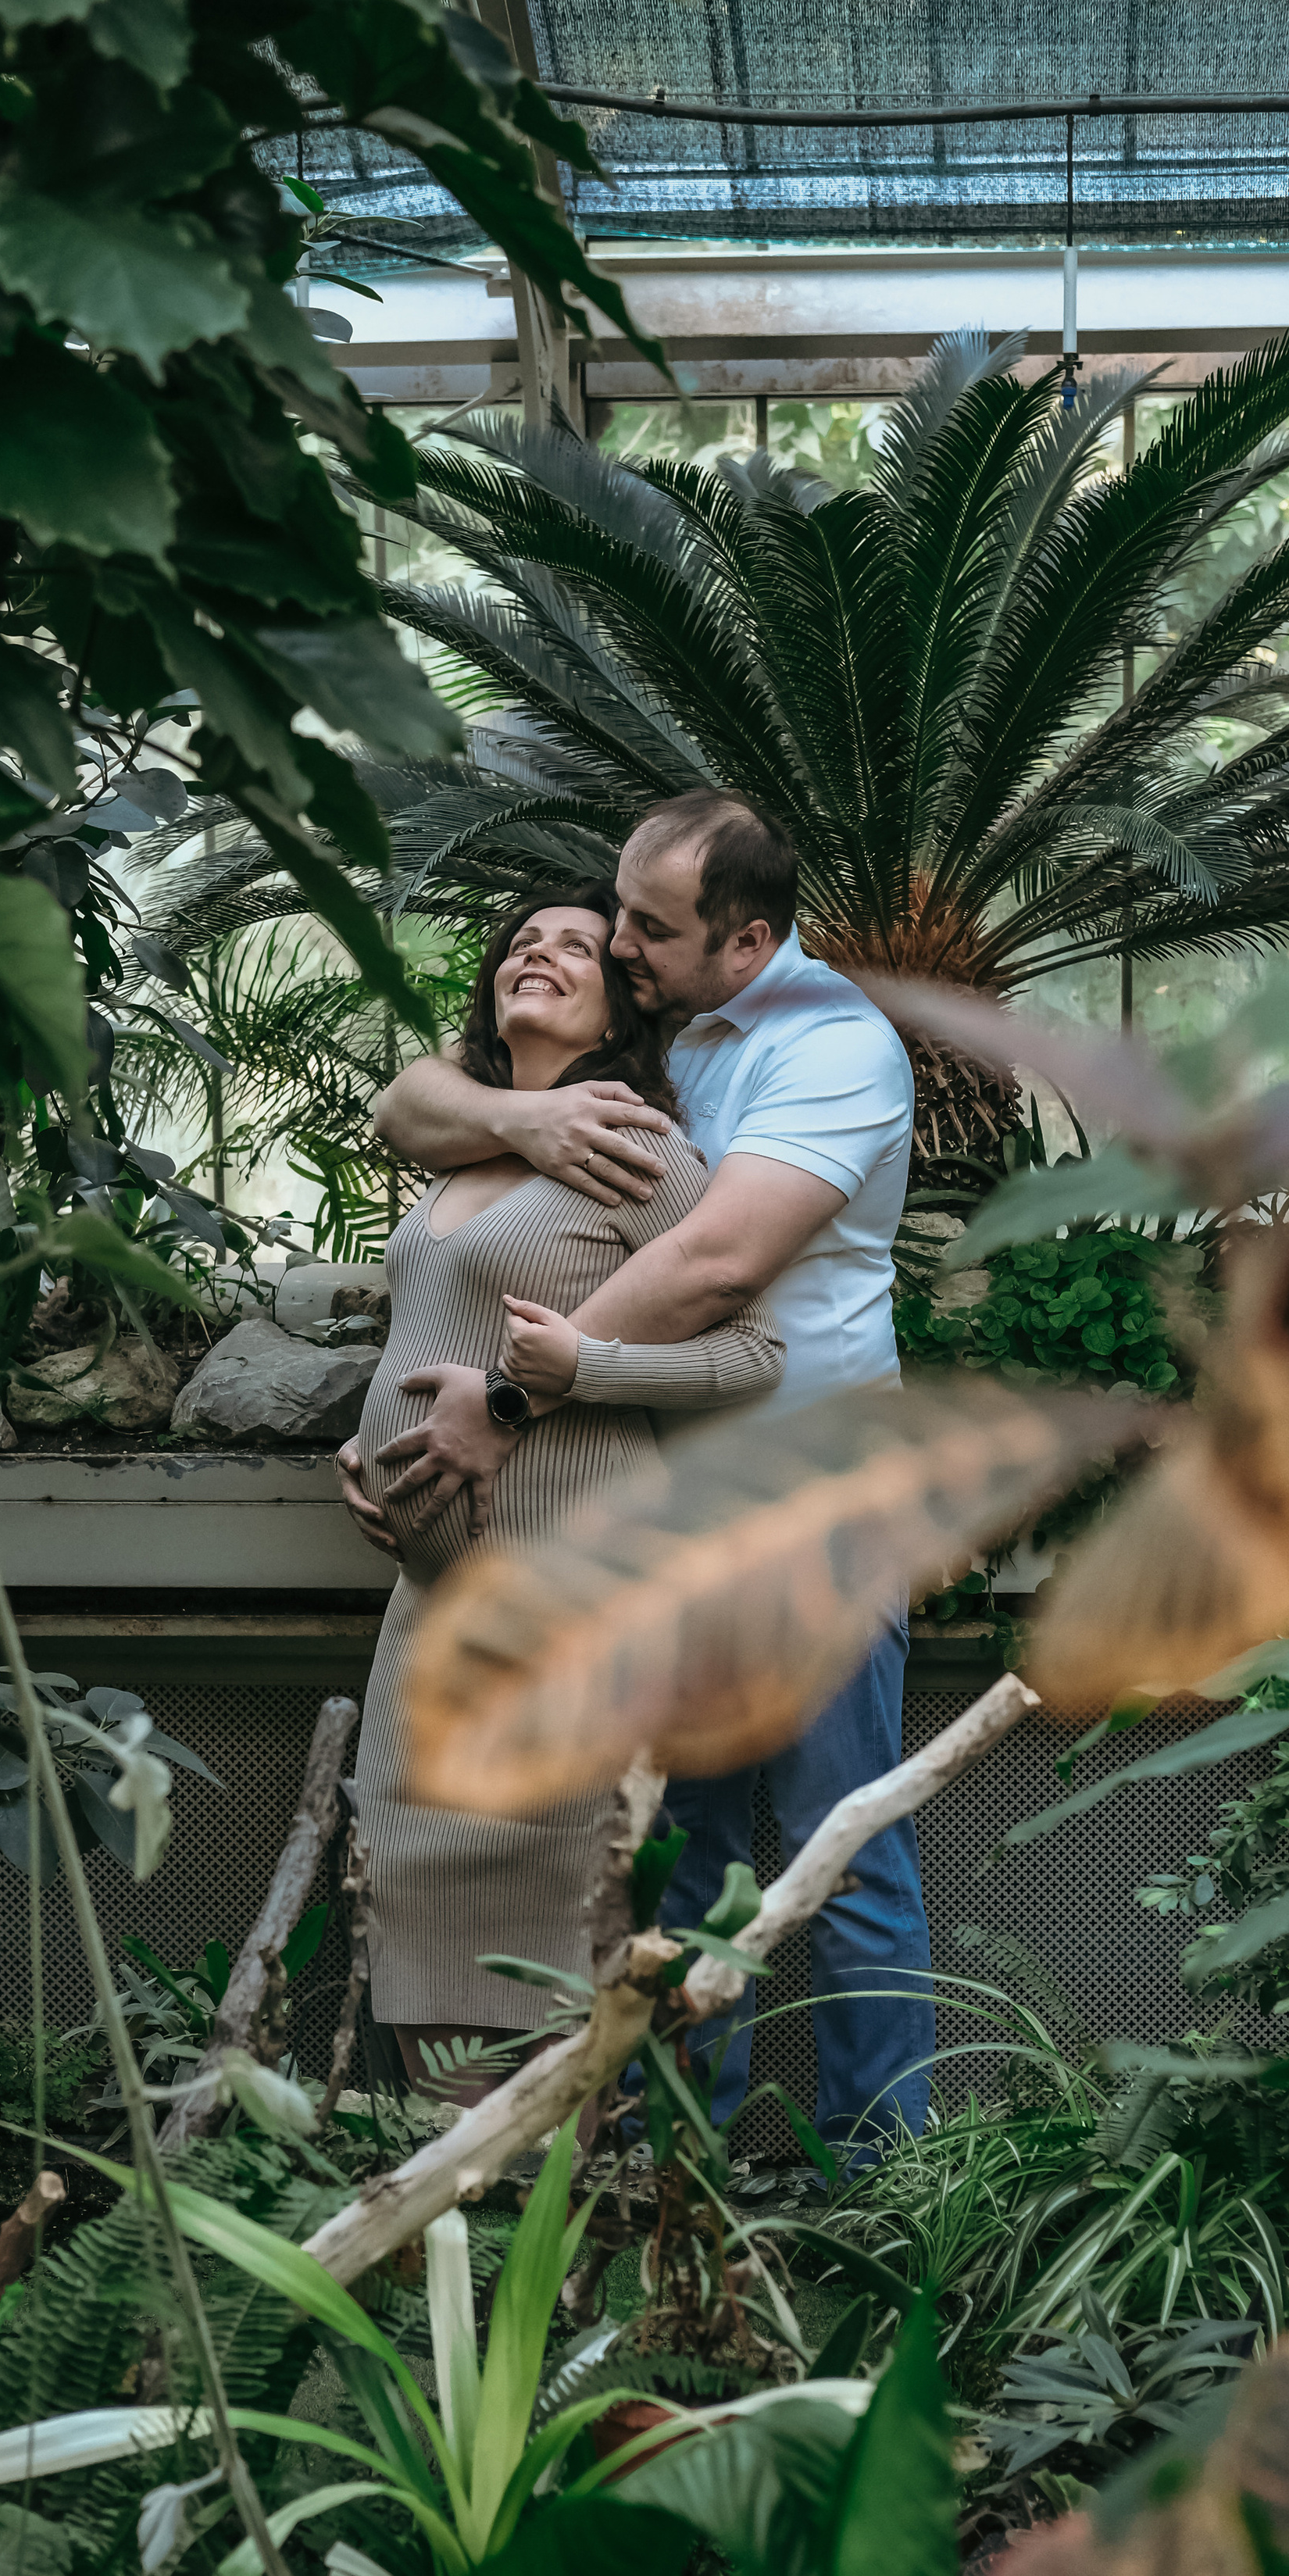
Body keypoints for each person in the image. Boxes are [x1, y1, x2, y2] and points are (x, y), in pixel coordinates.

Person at [342, 791, 929, 2156]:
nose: (617, 943)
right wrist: (524, 1119)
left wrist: (504, 1398)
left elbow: (716, 1271)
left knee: (840, 1857)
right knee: (685, 1867)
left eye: (646, 928)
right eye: (617, 915)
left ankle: (886, 2189)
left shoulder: (832, 1044)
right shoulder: (664, 1028)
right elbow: (412, 1101)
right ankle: (678, 2182)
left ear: (750, 943)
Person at [341, 878, 784, 2113]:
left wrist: (585, 1367)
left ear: (617, 1006)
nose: (535, 954)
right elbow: (432, 1317)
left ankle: (546, 2210)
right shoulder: (481, 1135)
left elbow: (755, 1354)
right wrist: (368, 1436)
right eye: (519, 942)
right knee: (406, 1848)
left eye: (575, 948)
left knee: (557, 1890)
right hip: (435, 1588)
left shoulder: (630, 1147)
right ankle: (446, 2201)